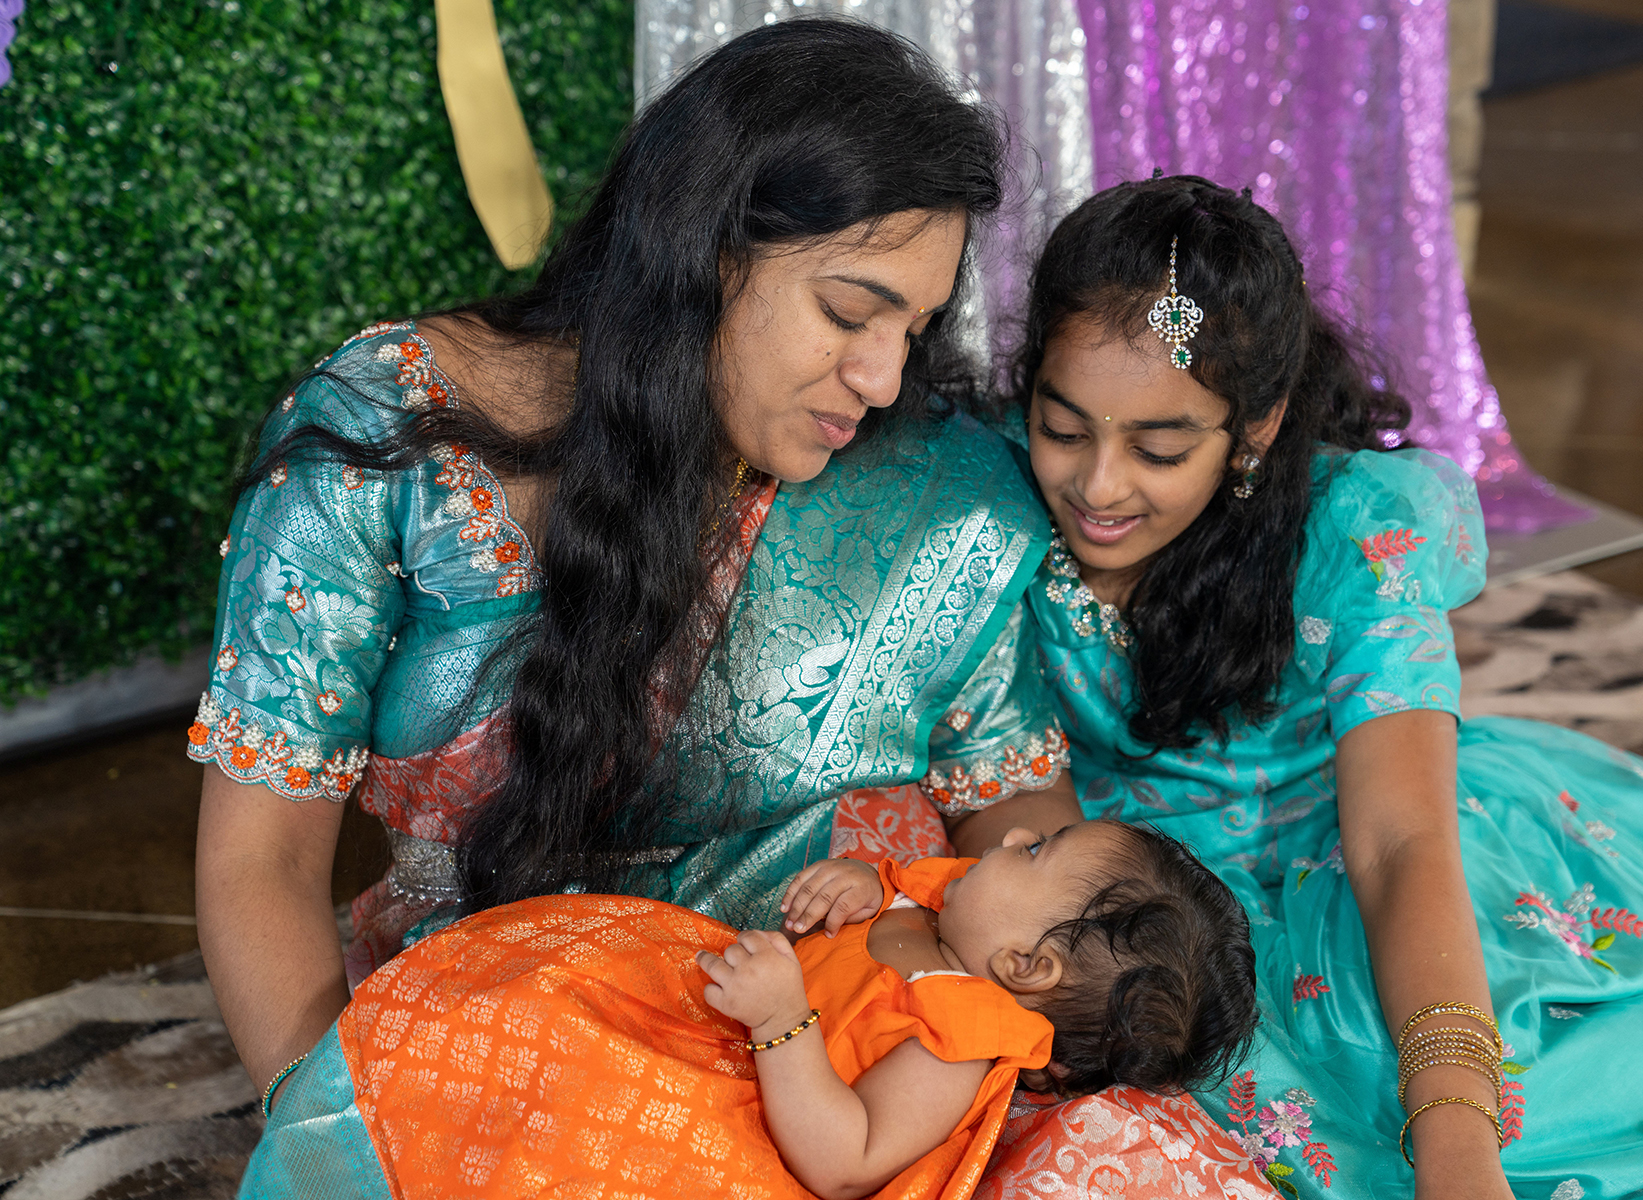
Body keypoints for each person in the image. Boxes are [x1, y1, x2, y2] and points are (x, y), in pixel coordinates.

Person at [189, 17, 1085, 1129]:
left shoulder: (932, 492)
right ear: (702, 255)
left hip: (853, 1048)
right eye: (849, 312)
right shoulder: (390, 437)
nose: (884, 378)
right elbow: (263, 860)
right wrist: (327, 1138)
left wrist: (978, 1000)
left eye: (915, 327)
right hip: (509, 1041)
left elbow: (1010, 798)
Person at [1006, 175, 1643, 1197]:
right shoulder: (989, 505)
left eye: (1159, 449)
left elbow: (1398, 843)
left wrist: (1457, 1132)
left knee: (1526, 1113)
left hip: (1364, 858)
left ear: (1255, 430)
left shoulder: (1358, 534)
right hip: (1147, 906)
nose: (1099, 486)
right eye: (1064, 429)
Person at [239, 819, 1261, 1198]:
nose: (1006, 841)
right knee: (535, 1002)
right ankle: (382, 1118)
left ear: (1028, 967)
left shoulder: (964, 1036)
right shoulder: (942, 906)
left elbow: (847, 1159)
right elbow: (880, 906)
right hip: (712, 1035)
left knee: (577, 1118)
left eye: (1036, 855)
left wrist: (784, 1023)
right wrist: (859, 885)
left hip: (755, 1140)